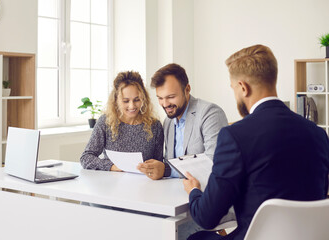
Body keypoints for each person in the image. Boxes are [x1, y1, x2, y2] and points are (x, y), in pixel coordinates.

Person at [183, 44, 329, 240]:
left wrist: (193, 191)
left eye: (234, 88)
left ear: (243, 87)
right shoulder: (318, 134)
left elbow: (206, 217)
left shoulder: (235, 136)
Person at [138, 63, 228, 180]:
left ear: (187, 89)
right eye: (160, 98)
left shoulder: (210, 113)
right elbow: (170, 161)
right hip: (174, 191)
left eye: (170, 97)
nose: (165, 104)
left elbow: (214, 163)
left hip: (203, 193)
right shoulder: (168, 121)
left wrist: (166, 170)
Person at [80, 71, 164, 172]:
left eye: (137, 100)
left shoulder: (155, 126)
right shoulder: (106, 122)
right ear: (116, 100)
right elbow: (86, 158)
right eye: (126, 101)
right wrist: (113, 167)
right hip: (112, 183)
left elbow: (158, 163)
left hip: (143, 184)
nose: (132, 106)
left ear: (143, 99)